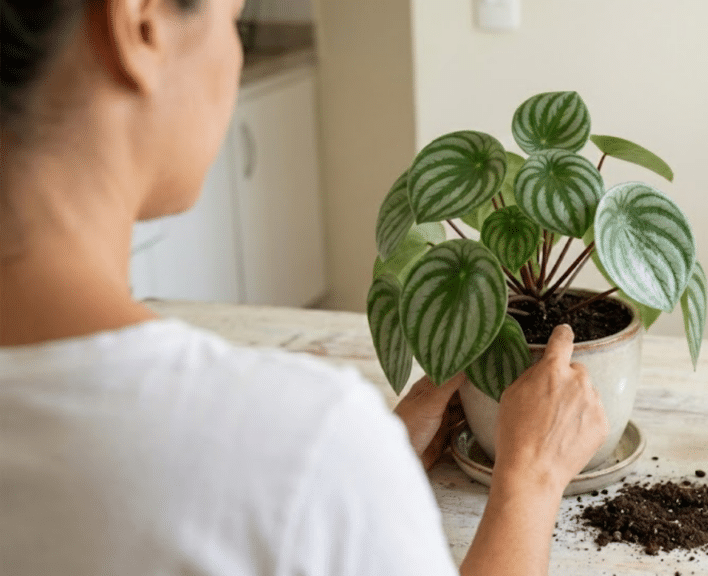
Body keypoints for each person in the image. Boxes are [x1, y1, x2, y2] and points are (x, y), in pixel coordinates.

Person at [0, 1, 609, 575]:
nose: (233, 60)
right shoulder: (301, 440)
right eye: (233, 20)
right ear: (143, 24)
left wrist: (369, 465)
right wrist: (531, 480)